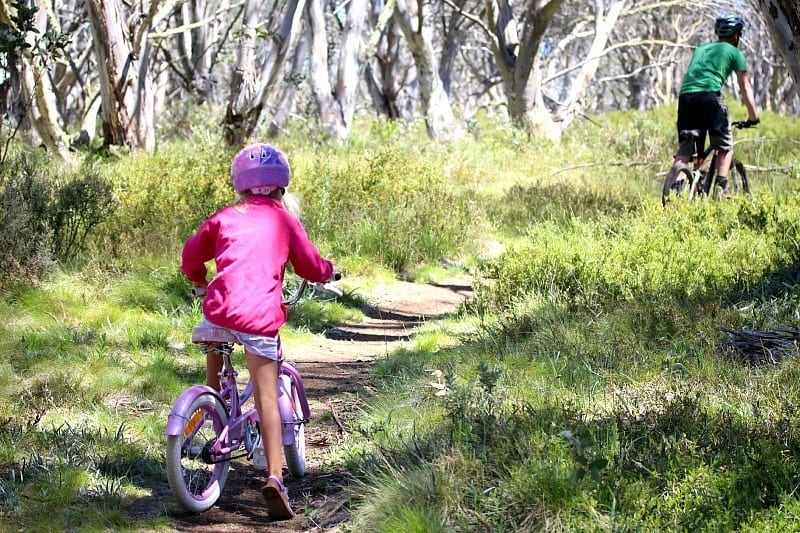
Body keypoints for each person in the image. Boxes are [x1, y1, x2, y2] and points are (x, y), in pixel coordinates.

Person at [180, 143, 334, 519]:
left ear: (241, 185)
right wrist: (328, 271)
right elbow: (311, 267)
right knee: (266, 396)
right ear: (281, 186)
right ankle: (276, 478)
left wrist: (200, 281)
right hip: (258, 319)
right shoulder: (285, 221)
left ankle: (209, 418)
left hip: (217, 313)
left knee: (216, 376)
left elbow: (190, 256)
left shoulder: (222, 218)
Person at [673, 14, 759, 195]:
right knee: (724, 144)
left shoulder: (701, 49)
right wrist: (753, 117)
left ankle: (675, 189)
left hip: (686, 98)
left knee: (685, 150)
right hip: (709, 97)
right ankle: (722, 188)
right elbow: (746, 87)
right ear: (736, 35)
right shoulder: (735, 52)